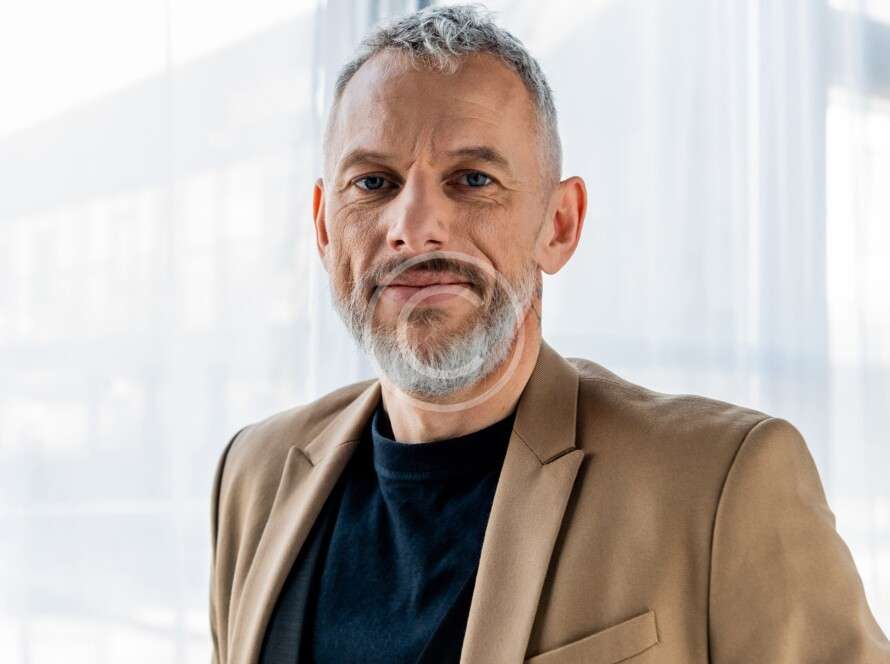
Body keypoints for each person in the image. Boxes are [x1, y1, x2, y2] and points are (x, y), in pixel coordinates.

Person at [209, 4, 890, 663]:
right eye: (373, 182)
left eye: (472, 179)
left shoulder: (723, 483)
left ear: (559, 225)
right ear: (324, 228)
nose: (413, 227)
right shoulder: (253, 474)